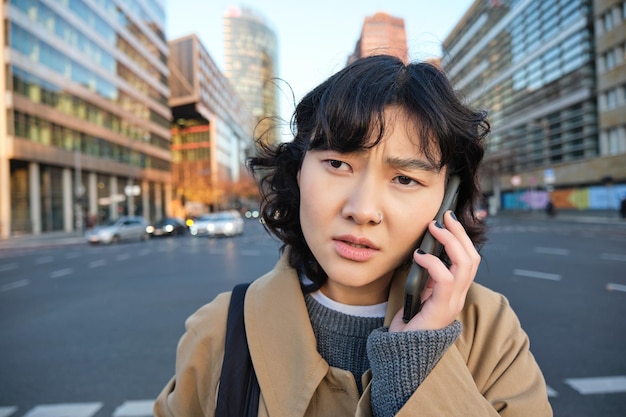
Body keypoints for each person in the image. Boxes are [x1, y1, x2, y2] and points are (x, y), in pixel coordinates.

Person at [154, 55, 552, 417]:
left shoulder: (488, 329)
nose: (362, 210)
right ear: (297, 172)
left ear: (446, 200)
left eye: (404, 178)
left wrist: (415, 369)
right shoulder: (219, 330)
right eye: (338, 163)